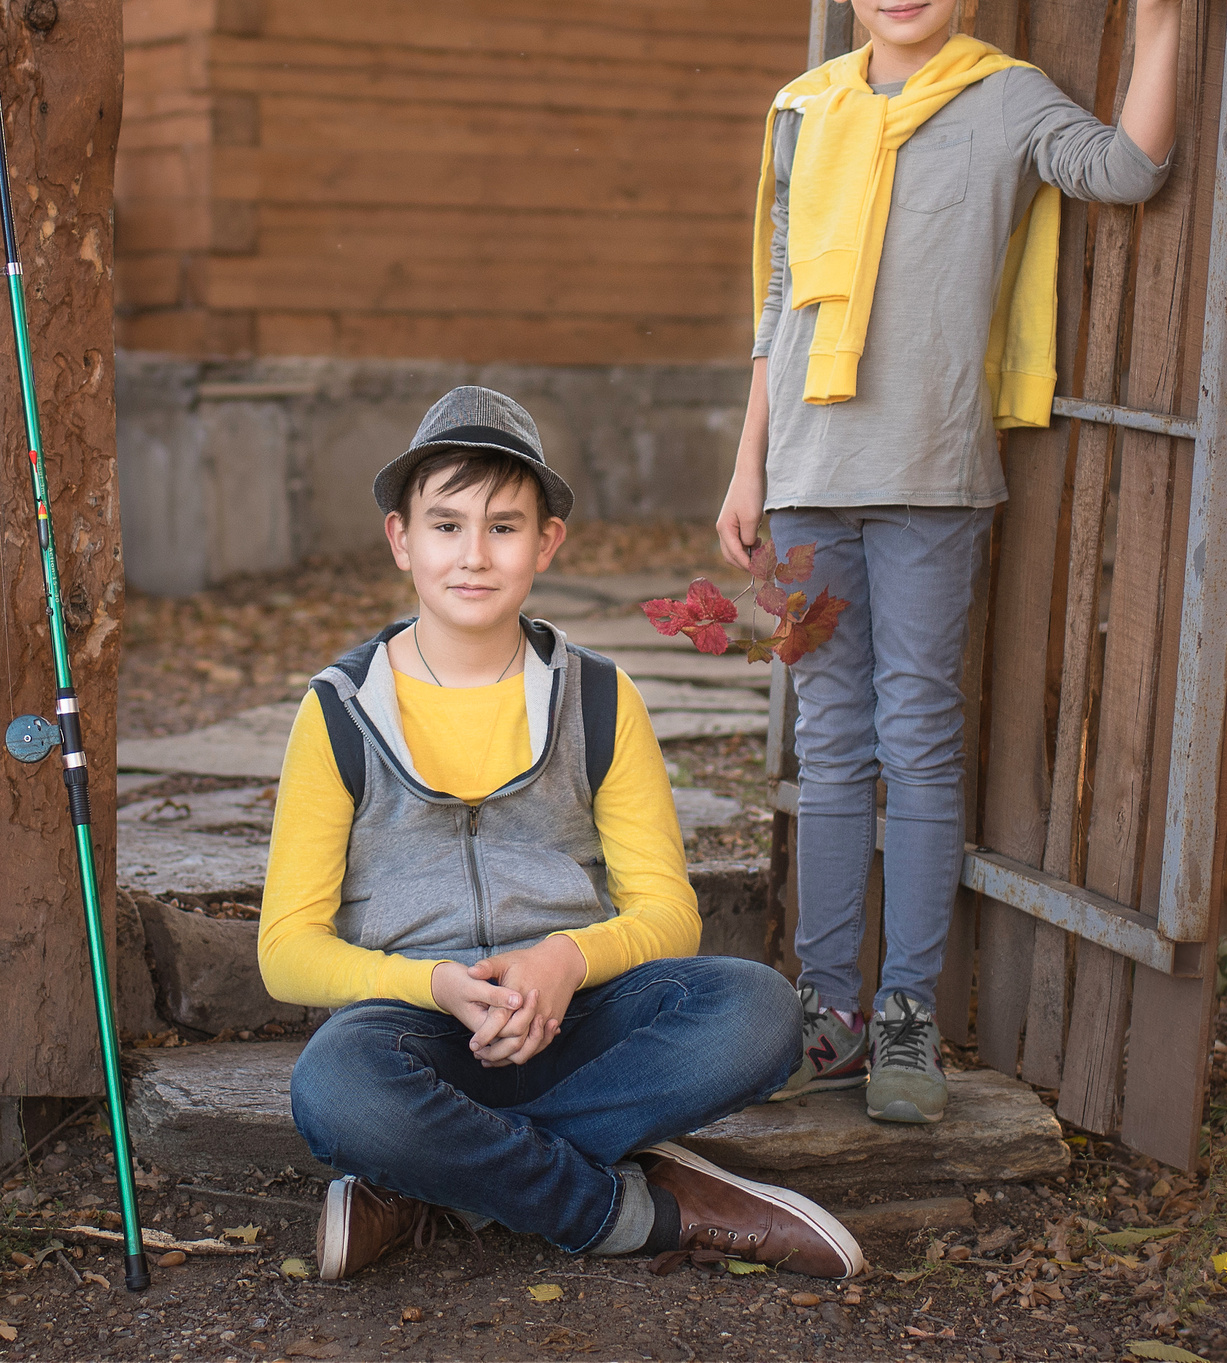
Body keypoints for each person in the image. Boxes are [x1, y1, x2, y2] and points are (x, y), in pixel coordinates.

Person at [718, 0, 1227, 1124]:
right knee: (831, 741)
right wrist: (747, 462)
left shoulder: (1003, 102)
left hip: (932, 480)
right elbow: (777, 304)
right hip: (805, 485)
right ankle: (830, 1012)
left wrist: (1164, 4)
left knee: (917, 733)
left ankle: (908, 1016)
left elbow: (1128, 170)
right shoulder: (802, 109)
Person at [260, 386, 866, 1282]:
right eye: (446, 525)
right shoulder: (340, 709)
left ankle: (432, 1177)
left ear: (547, 543)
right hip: (417, 1031)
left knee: (760, 1011)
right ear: (400, 539)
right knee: (337, 1086)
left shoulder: (598, 697)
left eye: (504, 527)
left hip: (580, 1020)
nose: (473, 554)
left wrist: (564, 962)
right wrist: (431, 981)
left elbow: (668, 912)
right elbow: (286, 950)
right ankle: (629, 1206)